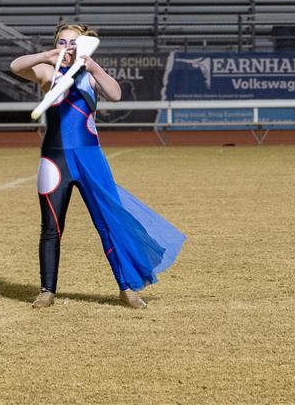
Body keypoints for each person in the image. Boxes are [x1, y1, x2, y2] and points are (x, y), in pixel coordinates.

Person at [10, 23, 185, 309]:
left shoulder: (89, 76)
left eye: (73, 43)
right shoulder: (47, 73)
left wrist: (93, 67)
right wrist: (46, 54)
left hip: (91, 159)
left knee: (108, 223)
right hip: (54, 161)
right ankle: (46, 290)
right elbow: (16, 65)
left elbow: (115, 94)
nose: (67, 47)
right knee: (51, 227)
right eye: (62, 42)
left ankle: (127, 288)